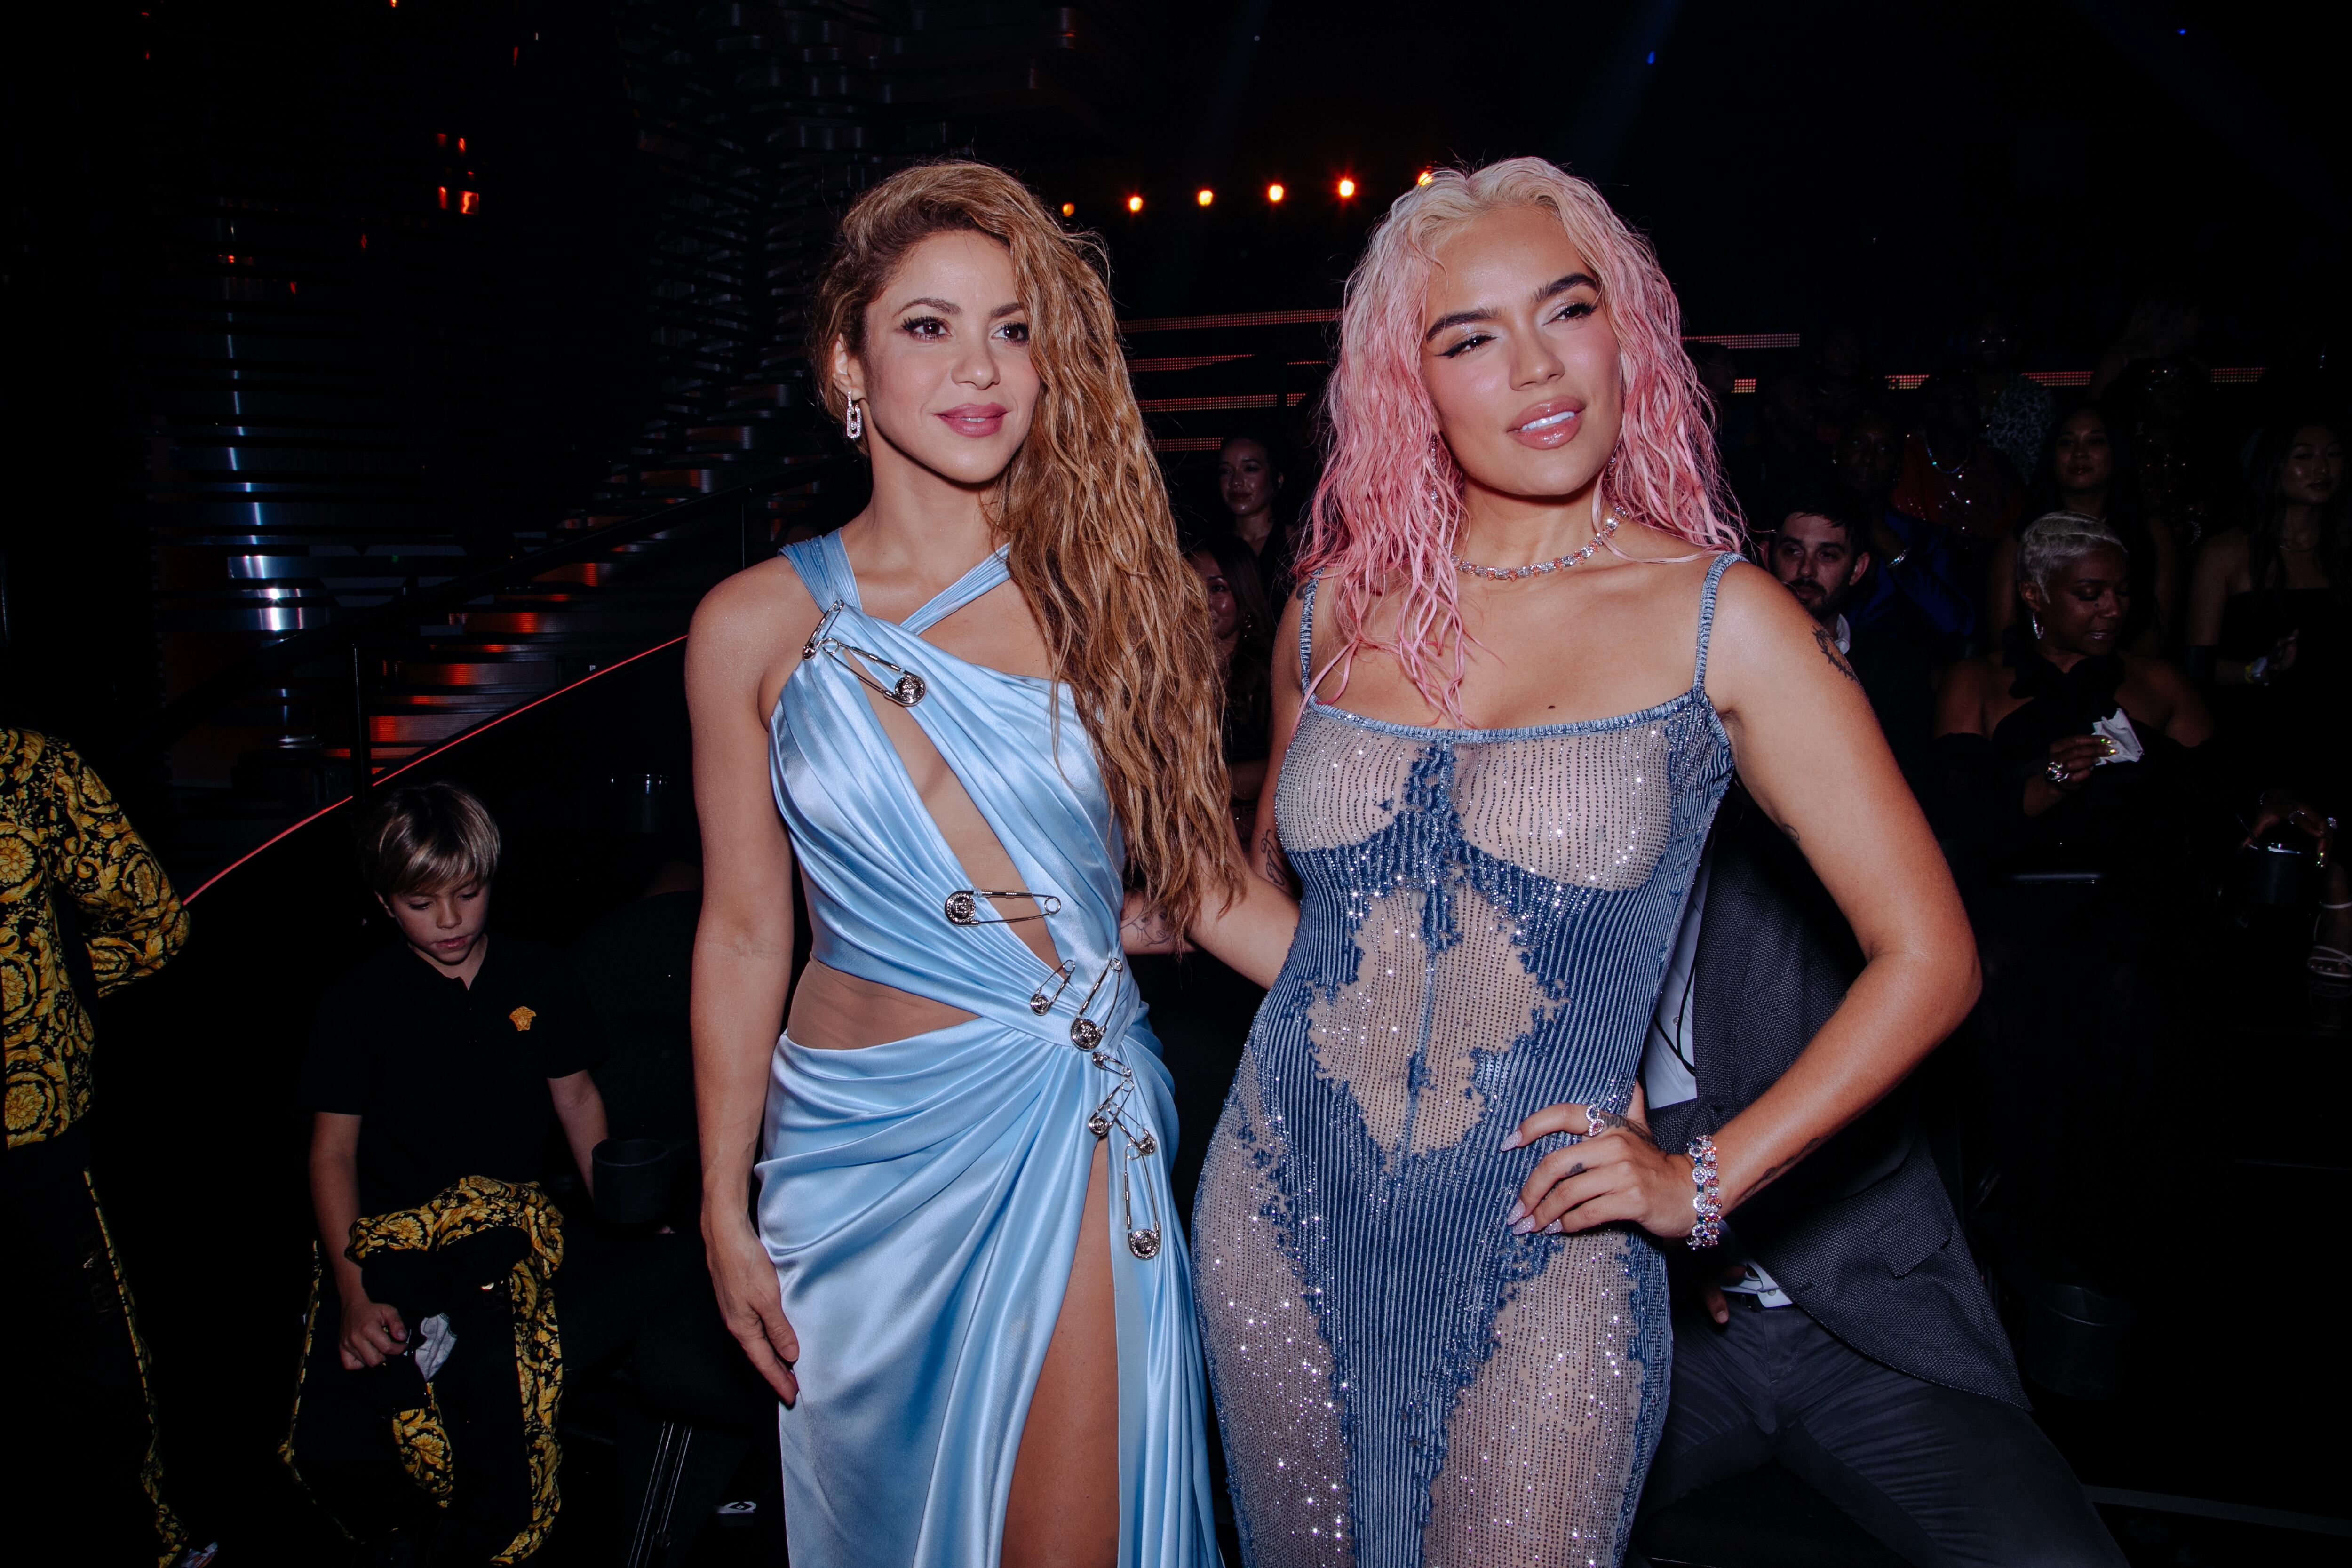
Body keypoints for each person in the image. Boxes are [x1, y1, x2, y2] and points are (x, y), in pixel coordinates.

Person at [1183, 157, 1979, 1568]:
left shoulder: (1718, 620)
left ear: (1629, 333)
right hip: (1279, 1209)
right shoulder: (1327, 611)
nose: (1536, 368)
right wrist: (1158, 876)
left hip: (1540, 1240)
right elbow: (1309, 941)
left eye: (1567, 311)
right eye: (1468, 337)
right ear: (1406, 384)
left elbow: (1929, 957)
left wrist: (1704, 1179)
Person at [686, 161, 1259, 1568]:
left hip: (1057, 1124)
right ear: (849, 361)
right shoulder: (751, 624)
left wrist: (1453, 1028)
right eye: (930, 326)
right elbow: (746, 932)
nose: (982, 367)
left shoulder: (1128, 603)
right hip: (845, 1161)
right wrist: (721, 1195)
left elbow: (1209, 890)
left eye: (1012, 328)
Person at [1633, 787, 2126, 1567]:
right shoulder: (1555, 894)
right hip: (1668, 1331)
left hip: (1869, 1316)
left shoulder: (1808, 864)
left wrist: (1683, 1194)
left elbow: (1889, 1073)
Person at [290, 781, 611, 1565]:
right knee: (344, 1436)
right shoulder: (357, 1003)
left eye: (468, 894)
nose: (450, 920)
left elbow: (579, 1103)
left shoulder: (541, 976)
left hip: (508, 1230)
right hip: (392, 1236)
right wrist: (353, 1291)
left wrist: (625, 1213)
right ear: (383, 900)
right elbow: (330, 1153)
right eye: (420, 902)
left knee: (501, 1403)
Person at [1931, 515, 2220, 1266]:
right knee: (2000, 978)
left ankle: (2118, 1239)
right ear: (2036, 595)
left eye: (2122, 593)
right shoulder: (1978, 682)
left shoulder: (2157, 684)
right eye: (2090, 594)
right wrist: (2047, 784)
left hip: (2134, 902)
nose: (2112, 610)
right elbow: (1956, 818)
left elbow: (2220, 802)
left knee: (2136, 980)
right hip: (2018, 905)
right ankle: (2013, 1223)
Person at [2, 729, 211, 1568]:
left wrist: (53, 992)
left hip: (36, 1146)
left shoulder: (31, 770)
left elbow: (157, 919)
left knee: (102, 1381)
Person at [2184, 418, 2351, 980]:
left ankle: (2336, 908)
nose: (2320, 468)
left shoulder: (2346, 550)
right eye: (2303, 455)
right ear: (2272, 467)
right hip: (2253, 715)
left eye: (2330, 455)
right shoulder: (2226, 552)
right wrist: (2261, 669)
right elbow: (2196, 668)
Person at [1762, 484, 1940, 790]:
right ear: (1767, 555)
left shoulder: (1894, 674)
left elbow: (1905, 795)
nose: (1806, 569)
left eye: (1827, 555)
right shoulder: (1726, 656)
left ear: (1857, 569)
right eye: (1793, 551)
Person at [1985, 403, 2179, 651]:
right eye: (2067, 443)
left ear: (2116, 452)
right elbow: (2003, 640)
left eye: (2095, 442)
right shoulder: (2021, 538)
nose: (2079, 453)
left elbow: (2155, 636)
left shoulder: (2152, 534)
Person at [1963, 309, 2055, 487]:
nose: (1990, 342)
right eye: (1982, 335)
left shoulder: (2036, 398)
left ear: (2016, 345)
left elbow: (2041, 465)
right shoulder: (1952, 395)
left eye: (2000, 336)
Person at [1216, 426, 1298, 602]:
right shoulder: (1207, 550)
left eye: (1250, 469)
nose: (1236, 482)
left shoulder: (1300, 546)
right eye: (1226, 471)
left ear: (1277, 480)